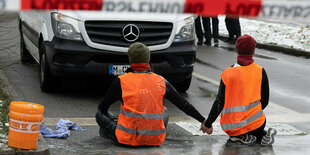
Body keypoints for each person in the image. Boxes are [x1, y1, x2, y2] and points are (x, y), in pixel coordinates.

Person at [96, 42, 206, 146]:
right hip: (155, 139)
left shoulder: (121, 81)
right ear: (148, 59)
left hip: (128, 139)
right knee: (165, 110)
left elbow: (102, 107)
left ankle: (113, 133)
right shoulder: (160, 81)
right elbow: (183, 104)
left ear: (130, 60)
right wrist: (203, 121)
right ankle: (152, 134)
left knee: (100, 115)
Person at [200, 35, 277, 146]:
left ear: (237, 50)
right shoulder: (260, 71)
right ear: (253, 51)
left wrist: (207, 124)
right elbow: (265, 101)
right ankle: (262, 134)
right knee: (256, 125)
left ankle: (240, 136)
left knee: (236, 131)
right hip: (257, 123)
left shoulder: (228, 73)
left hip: (233, 126)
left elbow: (219, 102)